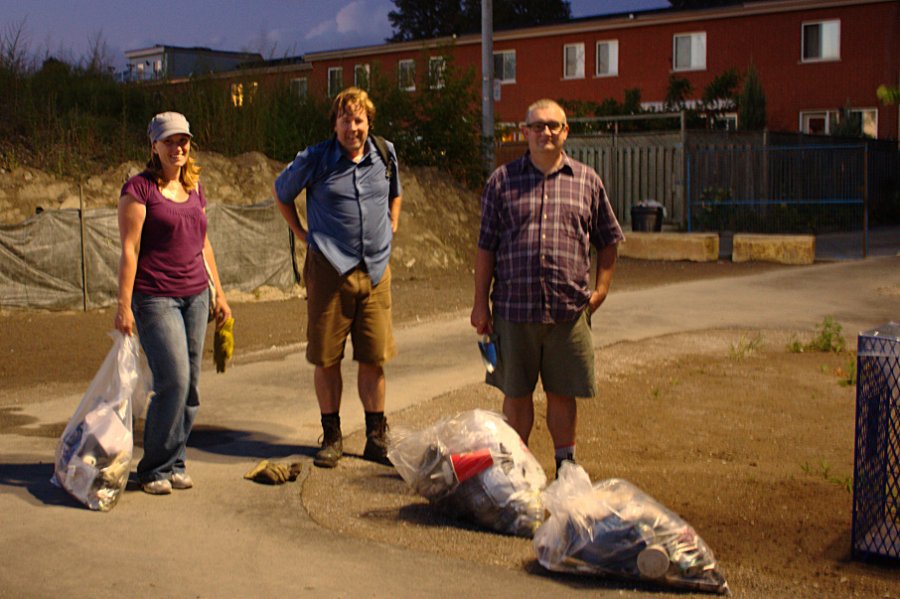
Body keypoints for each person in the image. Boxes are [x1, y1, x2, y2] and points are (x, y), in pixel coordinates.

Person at [470, 98, 624, 475]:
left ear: (565, 131)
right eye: (537, 126)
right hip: (513, 311)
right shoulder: (502, 182)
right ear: (525, 132)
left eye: (554, 125)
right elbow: (486, 247)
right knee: (516, 395)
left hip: (567, 313)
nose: (546, 133)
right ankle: (516, 469)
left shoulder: (587, 181)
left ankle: (565, 465)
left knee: (563, 393)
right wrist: (479, 305)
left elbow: (608, 239)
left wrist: (601, 289)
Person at [273, 87, 402, 468]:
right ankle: (331, 436)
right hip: (330, 271)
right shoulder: (315, 158)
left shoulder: (385, 153)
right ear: (335, 124)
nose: (353, 127)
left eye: (359, 119)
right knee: (327, 359)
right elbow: (282, 193)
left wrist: (393, 220)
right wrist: (302, 234)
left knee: (374, 358)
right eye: (345, 120)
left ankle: (376, 437)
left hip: (376, 271)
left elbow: (395, 192)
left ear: (369, 122)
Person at [115, 111, 231, 495]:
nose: (178, 147)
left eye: (183, 140)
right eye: (169, 141)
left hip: (196, 295)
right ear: (155, 147)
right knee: (174, 380)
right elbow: (130, 250)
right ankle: (153, 468)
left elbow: (204, 244)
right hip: (155, 298)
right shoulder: (140, 189)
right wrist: (124, 304)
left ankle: (176, 460)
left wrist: (220, 293)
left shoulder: (195, 188)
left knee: (191, 384)